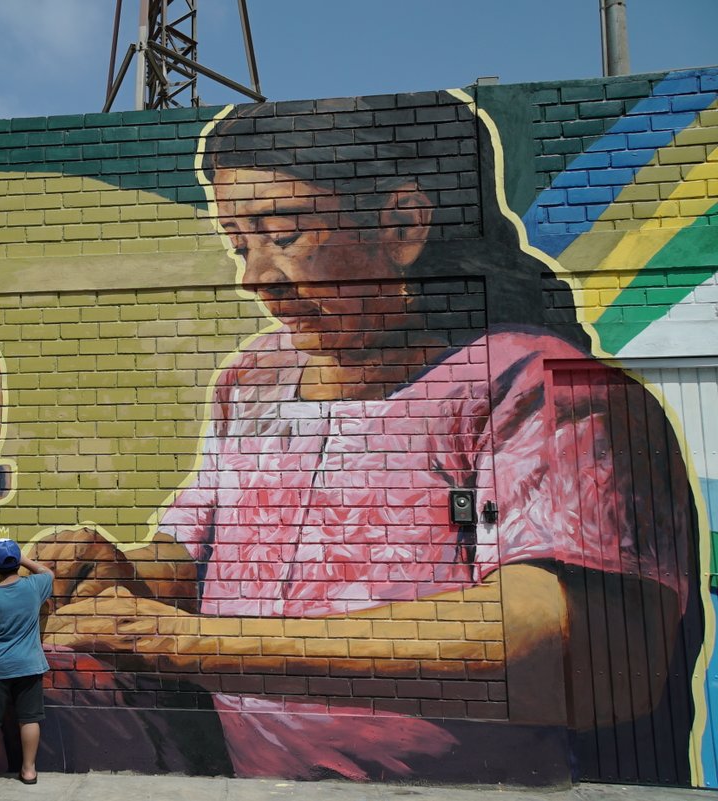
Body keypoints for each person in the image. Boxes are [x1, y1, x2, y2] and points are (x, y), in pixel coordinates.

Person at [35, 94, 701, 783]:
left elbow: (559, 638)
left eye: (282, 235)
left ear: (403, 223)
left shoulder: (540, 388)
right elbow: (196, 553)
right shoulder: (254, 380)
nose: (254, 278)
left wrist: (184, 642)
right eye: (239, 243)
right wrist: (118, 574)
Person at [0, 539, 55, 787]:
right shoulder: (34, 587)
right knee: (29, 718)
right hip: (29, 665)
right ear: (16, 564)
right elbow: (47, 572)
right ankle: (28, 770)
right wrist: (23, 559)